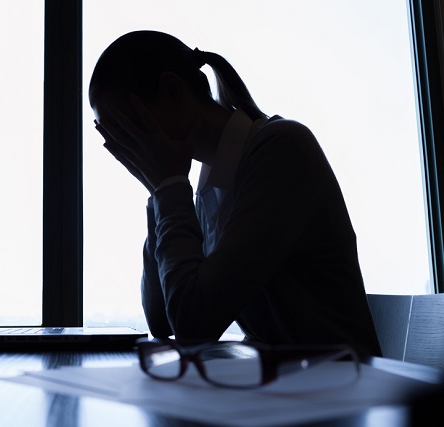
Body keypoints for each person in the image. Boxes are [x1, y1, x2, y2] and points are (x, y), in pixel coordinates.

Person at [89, 30, 382, 358]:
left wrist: (168, 186)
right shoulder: (207, 186)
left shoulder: (282, 150)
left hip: (343, 391)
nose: (128, 148)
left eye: (127, 129)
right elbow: (162, 320)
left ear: (173, 91)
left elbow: (192, 324)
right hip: (283, 388)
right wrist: (160, 192)